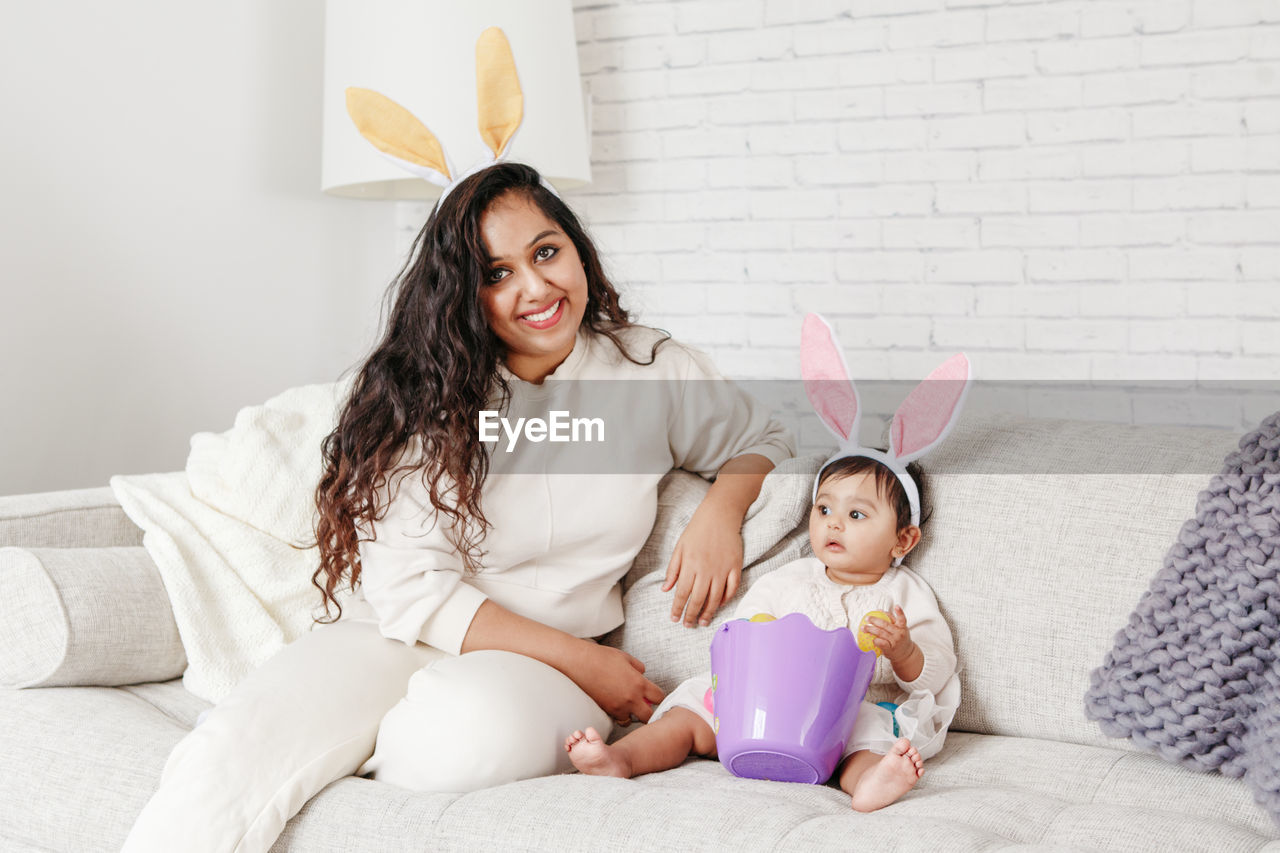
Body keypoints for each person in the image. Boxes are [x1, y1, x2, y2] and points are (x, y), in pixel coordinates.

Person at [122, 162, 795, 852]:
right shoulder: (425, 394)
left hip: (539, 675)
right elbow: (412, 588)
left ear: (576, 247)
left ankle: (346, 758)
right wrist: (588, 662)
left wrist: (721, 511)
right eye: (497, 273)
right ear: (463, 295)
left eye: (545, 251)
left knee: (460, 737)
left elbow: (764, 436)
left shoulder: (650, 368)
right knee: (236, 745)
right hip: (399, 636)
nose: (536, 287)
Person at [565, 453, 960, 813]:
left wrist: (904, 650)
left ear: (902, 539)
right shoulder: (788, 580)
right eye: (824, 508)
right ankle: (621, 759)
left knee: (867, 741)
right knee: (688, 714)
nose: (834, 522)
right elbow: (745, 636)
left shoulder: (904, 595)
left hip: (844, 717)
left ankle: (871, 783)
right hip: (762, 705)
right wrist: (767, 638)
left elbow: (938, 671)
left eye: (857, 515)